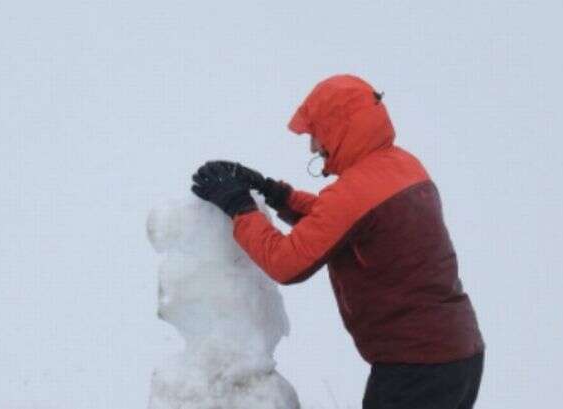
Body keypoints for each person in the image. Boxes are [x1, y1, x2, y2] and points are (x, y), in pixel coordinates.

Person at [191, 74, 485, 409]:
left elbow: (286, 262)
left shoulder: (356, 191)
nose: (313, 146)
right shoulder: (402, 165)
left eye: (315, 133)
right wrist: (274, 191)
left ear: (337, 127)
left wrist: (239, 208)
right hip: (460, 356)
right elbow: (339, 221)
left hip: (417, 367)